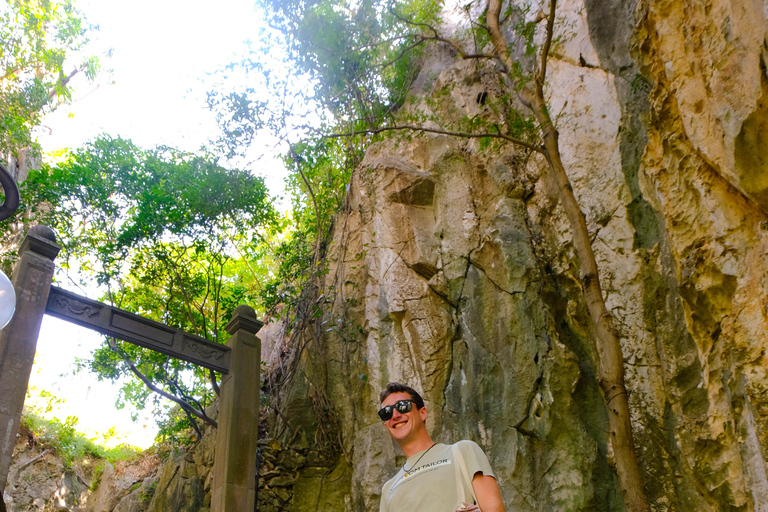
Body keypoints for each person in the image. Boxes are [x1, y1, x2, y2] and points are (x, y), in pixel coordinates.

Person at [378, 382, 505, 512]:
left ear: (422, 413)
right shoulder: (388, 489)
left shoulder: (462, 451)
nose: (395, 415)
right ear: (386, 425)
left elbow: (495, 509)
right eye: (386, 412)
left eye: (403, 406)